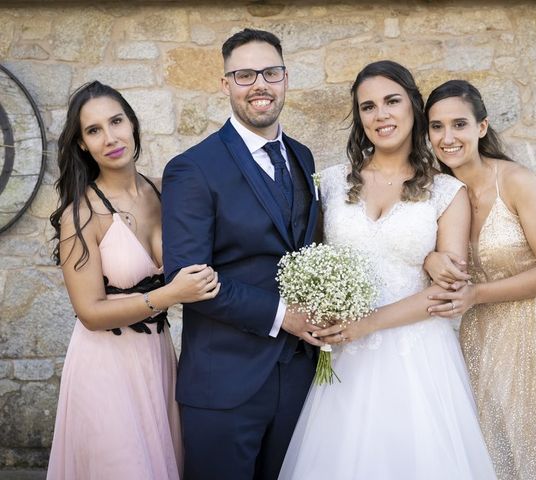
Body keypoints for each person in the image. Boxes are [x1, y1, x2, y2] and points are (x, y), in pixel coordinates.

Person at [277, 61, 496, 480]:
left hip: (417, 358)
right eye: (368, 107)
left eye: (392, 101)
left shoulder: (447, 191)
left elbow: (445, 293)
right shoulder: (332, 183)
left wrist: (367, 324)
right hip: (344, 358)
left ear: (413, 106)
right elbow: (313, 257)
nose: (381, 115)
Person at [423, 79, 536, 479]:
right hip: (481, 341)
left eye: (459, 124)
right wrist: (430, 256)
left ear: (482, 128)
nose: (447, 137)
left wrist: (476, 294)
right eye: (436, 127)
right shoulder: (435, 193)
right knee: (491, 453)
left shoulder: (514, 180)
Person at [161, 29, 323, 480]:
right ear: (226, 83)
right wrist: (282, 315)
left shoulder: (303, 158)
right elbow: (188, 278)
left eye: (270, 72)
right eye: (245, 74)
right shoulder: (192, 168)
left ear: (286, 78)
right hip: (224, 385)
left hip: (299, 375)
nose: (260, 85)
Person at [47, 81, 220, 480]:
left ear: (133, 124)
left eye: (116, 121)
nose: (110, 138)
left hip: (156, 358)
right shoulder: (81, 215)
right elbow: (90, 312)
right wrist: (170, 294)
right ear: (82, 146)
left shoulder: (163, 192)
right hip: (104, 365)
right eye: (93, 131)